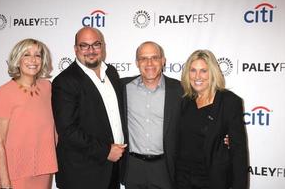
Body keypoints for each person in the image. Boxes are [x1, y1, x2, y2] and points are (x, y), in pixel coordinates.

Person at [52, 27, 127, 189]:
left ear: (103, 46)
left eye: (96, 45)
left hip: (112, 170)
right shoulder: (64, 81)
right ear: (75, 49)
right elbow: (67, 131)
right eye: (84, 45)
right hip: (81, 174)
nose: (91, 50)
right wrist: (106, 151)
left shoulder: (111, 73)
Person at [0, 38, 58, 189]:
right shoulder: (3, 93)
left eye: (38, 55)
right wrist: (5, 182)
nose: (33, 60)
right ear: (17, 59)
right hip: (16, 172)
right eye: (26, 55)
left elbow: (53, 130)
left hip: (44, 167)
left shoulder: (47, 87)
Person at [176, 49, 248, 189]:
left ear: (213, 72)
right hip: (182, 180)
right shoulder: (185, 101)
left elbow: (239, 152)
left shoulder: (229, 102)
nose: (198, 76)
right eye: (193, 70)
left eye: (203, 71)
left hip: (213, 181)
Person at [121, 41, 183, 189]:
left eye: (155, 57)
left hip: (165, 168)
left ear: (163, 61)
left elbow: (197, 120)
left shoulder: (180, 90)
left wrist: (221, 136)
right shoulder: (122, 87)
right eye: (143, 58)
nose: (149, 63)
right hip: (133, 167)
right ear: (137, 62)